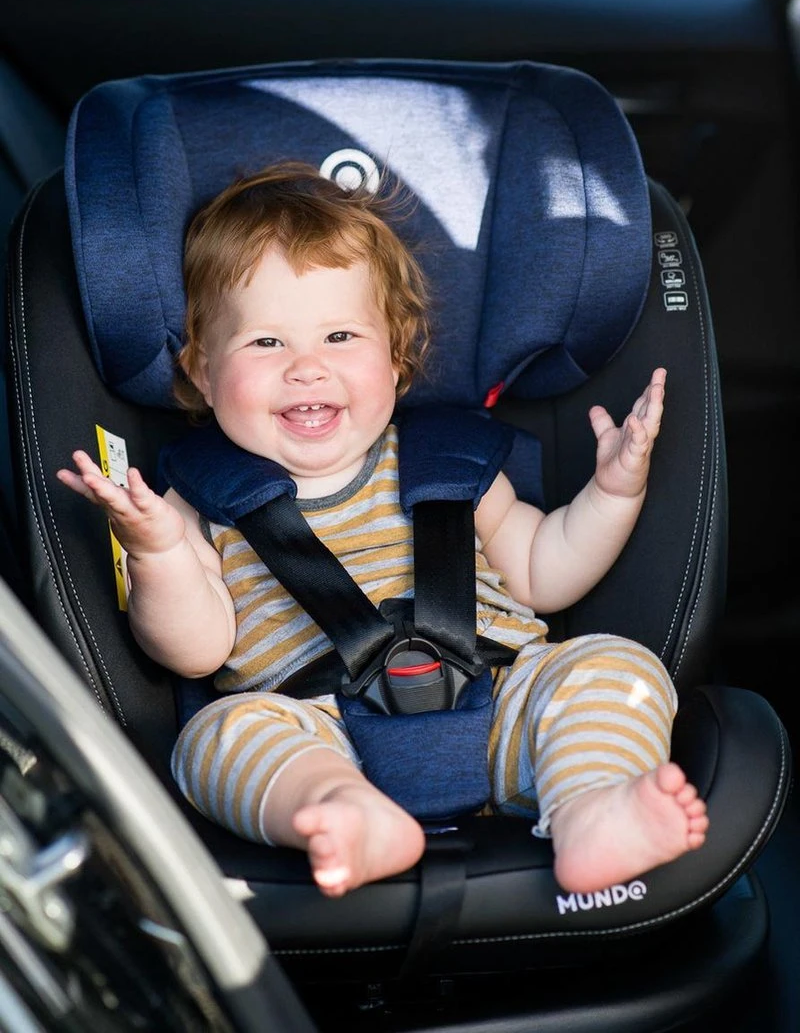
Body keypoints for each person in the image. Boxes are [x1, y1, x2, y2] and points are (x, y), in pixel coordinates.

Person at [57, 162, 708, 900]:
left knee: (614, 667)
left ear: (396, 362)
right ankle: (343, 811)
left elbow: (543, 569)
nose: (307, 368)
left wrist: (614, 492)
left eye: (339, 336)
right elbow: (195, 648)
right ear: (202, 373)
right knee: (214, 740)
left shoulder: (450, 465)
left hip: (503, 710)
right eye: (266, 343)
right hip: (318, 728)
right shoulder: (193, 502)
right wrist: (157, 553)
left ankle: (590, 804)